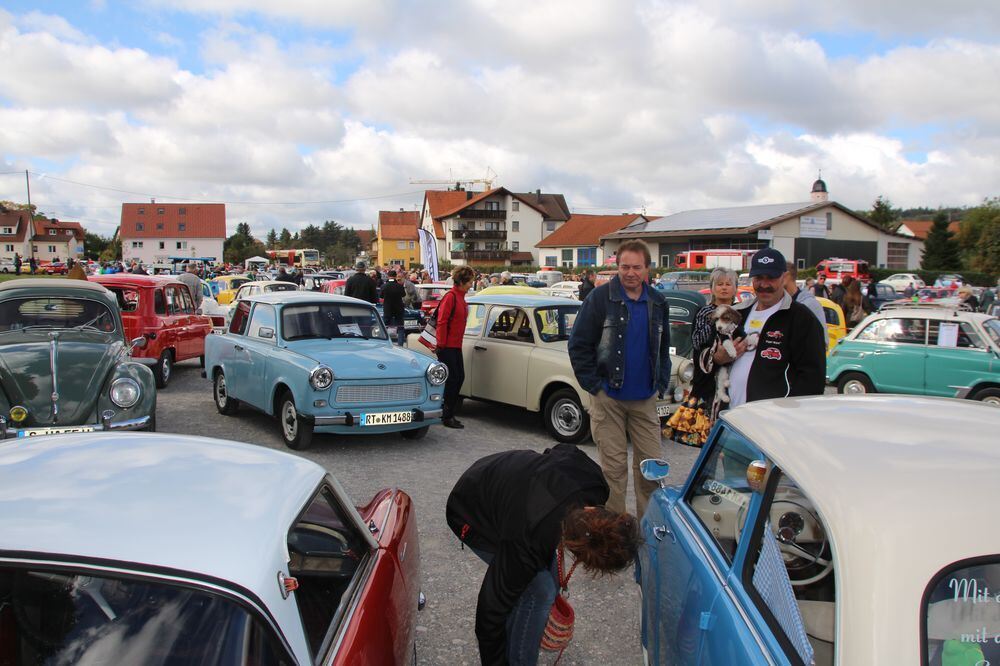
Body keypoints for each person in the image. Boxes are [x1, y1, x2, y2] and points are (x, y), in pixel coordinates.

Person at [446, 444, 640, 666]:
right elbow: (489, 615)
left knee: (544, 581)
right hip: (470, 508)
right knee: (540, 591)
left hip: (504, 478)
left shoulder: (596, 485)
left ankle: (516, 632)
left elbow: (561, 448)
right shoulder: (526, 541)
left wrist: (536, 473)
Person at [568, 240, 671, 517]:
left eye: (637, 267)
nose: (630, 273)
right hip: (608, 399)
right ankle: (615, 534)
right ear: (617, 267)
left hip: (645, 399)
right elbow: (578, 344)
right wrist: (594, 386)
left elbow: (663, 348)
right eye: (624, 266)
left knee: (651, 468)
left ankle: (648, 532)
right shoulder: (599, 299)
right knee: (613, 472)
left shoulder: (658, 302)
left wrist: (660, 383)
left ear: (647, 269)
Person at [716, 248, 826, 408]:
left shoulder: (802, 319)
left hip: (772, 422)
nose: (764, 284)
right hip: (731, 419)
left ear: (784, 277)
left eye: (771, 278)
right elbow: (711, 362)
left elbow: (813, 379)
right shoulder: (737, 313)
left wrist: (789, 415)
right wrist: (719, 358)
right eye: (759, 278)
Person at [436, 266, 475, 429]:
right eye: (471, 281)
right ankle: (447, 415)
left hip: (455, 345)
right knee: (454, 379)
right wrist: (441, 344)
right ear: (463, 281)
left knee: (459, 378)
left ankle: (447, 411)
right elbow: (442, 321)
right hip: (447, 346)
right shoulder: (451, 297)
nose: (472, 284)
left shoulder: (461, 297)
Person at [784, 265, 828, 348]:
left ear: (786, 277)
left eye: (774, 277)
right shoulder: (774, 304)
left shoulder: (811, 304)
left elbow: (822, 341)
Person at [381, 270, 407, 346]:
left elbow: (381, 296)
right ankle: (400, 344)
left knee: (384, 327)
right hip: (398, 309)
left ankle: (384, 343)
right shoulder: (399, 286)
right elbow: (403, 295)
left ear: (388, 276)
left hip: (387, 309)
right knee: (400, 328)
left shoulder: (384, 286)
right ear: (395, 276)